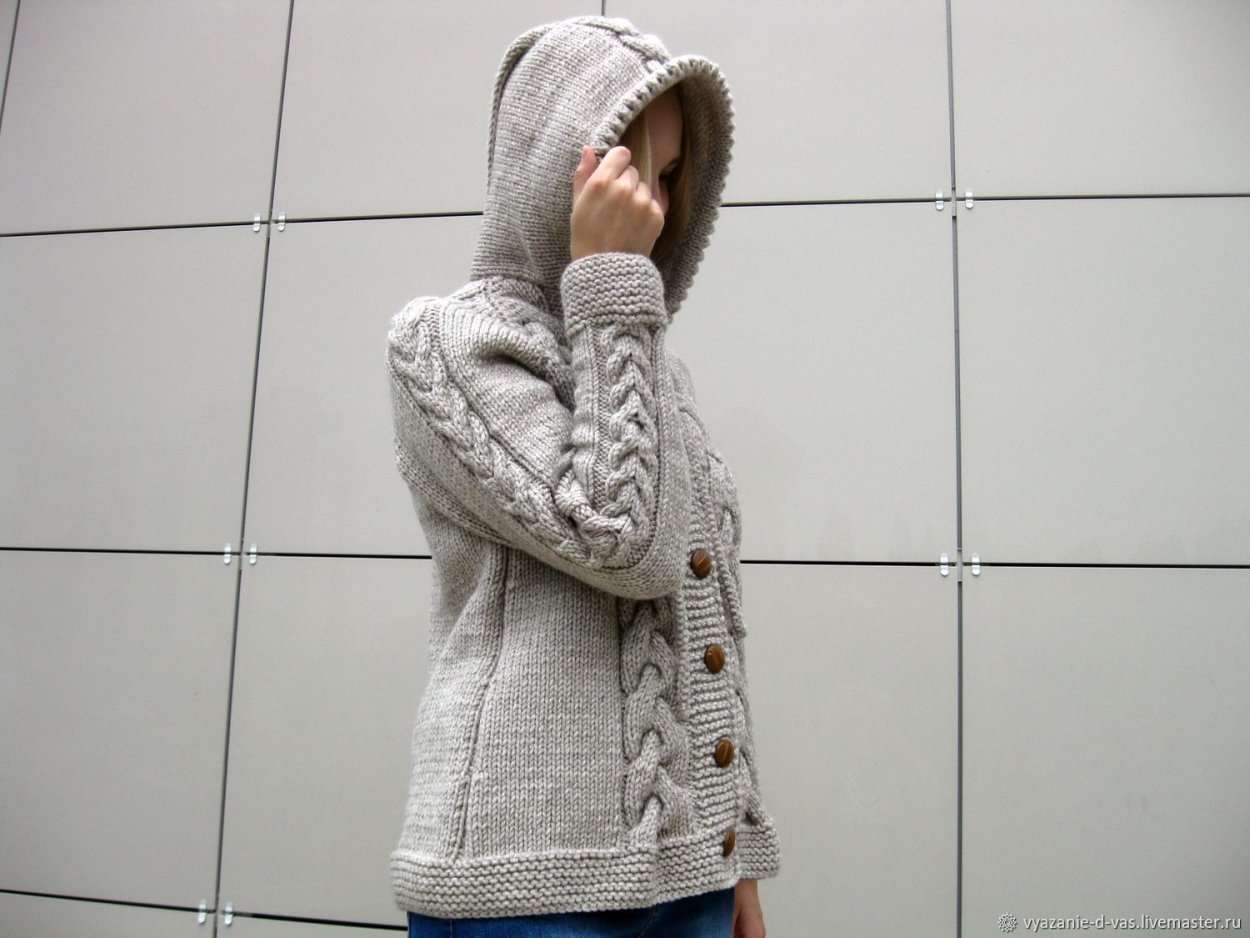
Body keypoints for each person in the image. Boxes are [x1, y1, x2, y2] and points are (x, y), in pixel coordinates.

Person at [385, 16, 779, 938]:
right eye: (631, 166)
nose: (654, 203)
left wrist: (738, 857)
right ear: (552, 162)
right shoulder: (445, 344)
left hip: (688, 879)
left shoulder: (640, 359)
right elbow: (624, 545)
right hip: (525, 889)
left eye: (672, 176)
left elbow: (703, 613)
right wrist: (612, 286)